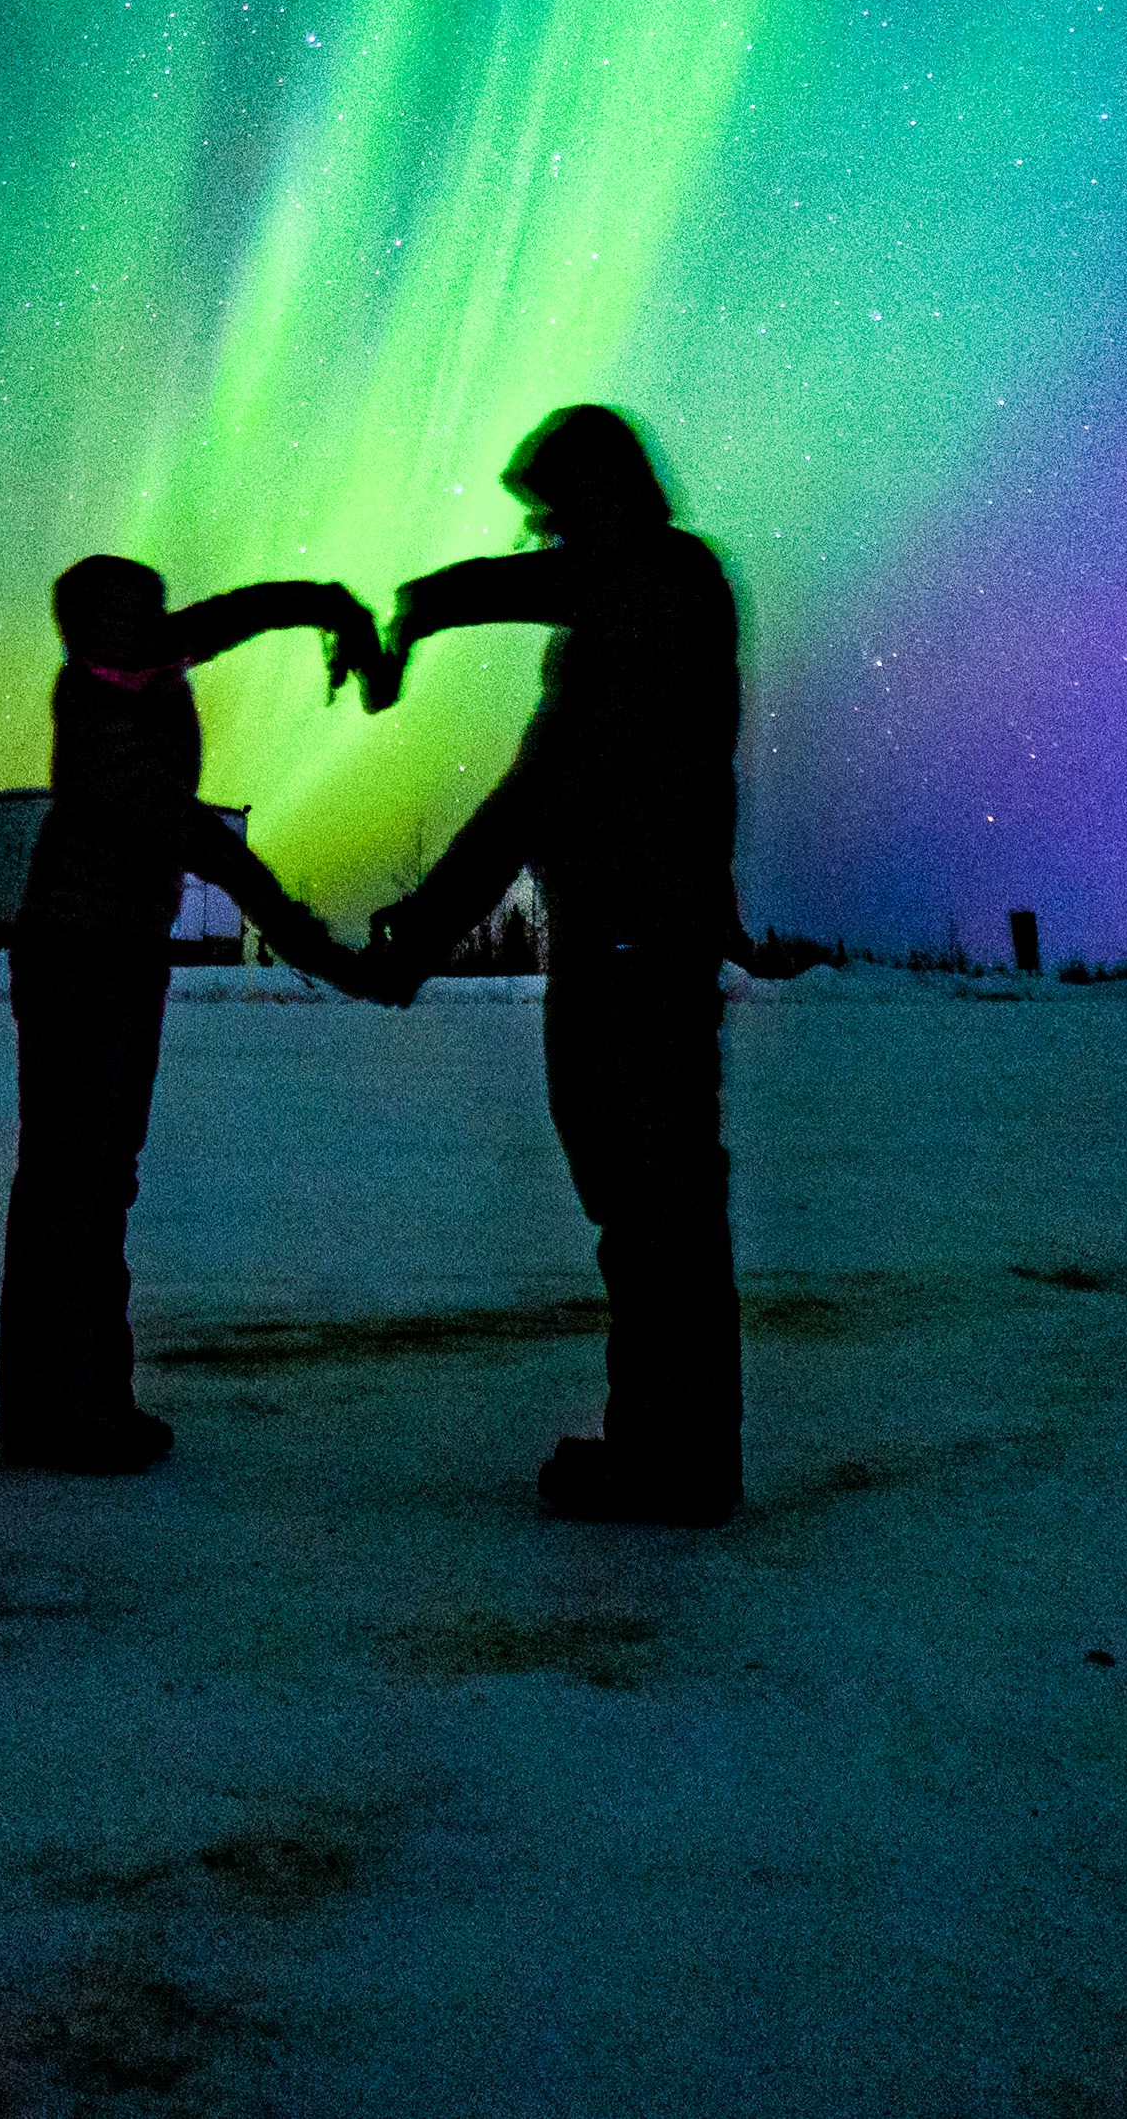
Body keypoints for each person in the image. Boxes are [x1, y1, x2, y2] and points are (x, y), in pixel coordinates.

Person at [357, 403, 748, 1524]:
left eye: (552, 517)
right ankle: (662, 1447)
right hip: (619, 936)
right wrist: (429, 926)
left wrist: (433, 601)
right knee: (637, 1198)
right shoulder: (616, 627)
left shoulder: (663, 588)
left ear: (603, 502)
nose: (542, 542)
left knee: (654, 1197)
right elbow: (533, 796)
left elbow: (539, 795)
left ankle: (673, 1464)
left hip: (638, 944)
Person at [0, 554, 388, 1474]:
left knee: (99, 1181)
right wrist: (314, 945)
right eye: (122, 627)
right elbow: (200, 839)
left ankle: (85, 1398)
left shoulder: (153, 657)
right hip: (75, 957)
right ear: (86, 635)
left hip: (125, 954)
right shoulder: (98, 721)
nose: (147, 640)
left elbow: (249, 605)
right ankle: (61, 1414)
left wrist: (333, 603)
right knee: (72, 1186)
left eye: (152, 620)